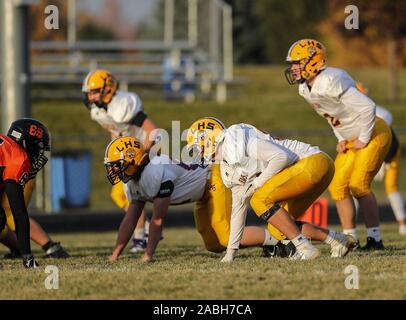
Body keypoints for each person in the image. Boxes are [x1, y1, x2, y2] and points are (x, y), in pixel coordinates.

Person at [190, 119, 355, 262]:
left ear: (209, 138)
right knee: (279, 229)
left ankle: (304, 247)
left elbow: (281, 157)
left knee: (259, 199)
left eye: (198, 146)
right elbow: (238, 209)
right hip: (311, 171)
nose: (198, 152)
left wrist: (257, 184)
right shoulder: (227, 169)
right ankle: (337, 240)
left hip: (313, 162)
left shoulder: (235, 139)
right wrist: (231, 253)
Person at [105, 134, 287, 263]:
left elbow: (158, 219)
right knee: (213, 245)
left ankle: (279, 240)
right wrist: (115, 255)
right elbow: (130, 219)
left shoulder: (156, 172)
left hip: (213, 179)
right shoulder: (132, 181)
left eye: (117, 166)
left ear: (134, 160)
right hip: (201, 192)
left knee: (225, 237)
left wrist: (148, 255)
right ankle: (270, 244)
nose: (114, 171)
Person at [285, 39, 392, 250]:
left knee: (359, 185)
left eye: (298, 63)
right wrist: (341, 139)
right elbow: (332, 116)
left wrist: (363, 138)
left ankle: (375, 239)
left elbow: (368, 107)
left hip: (373, 131)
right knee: (338, 186)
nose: (293, 68)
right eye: (293, 64)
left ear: (313, 61)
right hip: (352, 138)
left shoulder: (331, 79)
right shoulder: (305, 89)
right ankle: (350, 239)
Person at [82, 69, 158, 252]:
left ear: (107, 89)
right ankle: (146, 230)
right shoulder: (99, 111)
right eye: (89, 92)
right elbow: (115, 130)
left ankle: (141, 236)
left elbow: (152, 130)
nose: (90, 96)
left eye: (93, 91)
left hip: (146, 149)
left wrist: (143, 154)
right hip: (129, 153)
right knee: (121, 194)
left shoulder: (123, 104)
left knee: (130, 195)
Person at [355, 82, 406, 235]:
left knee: (391, 187)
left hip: (389, 153)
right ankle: (351, 227)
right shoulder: (349, 113)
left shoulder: (380, 113)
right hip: (364, 152)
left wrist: (382, 160)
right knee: (354, 186)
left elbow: (383, 135)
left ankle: (403, 223)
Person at [0, 118, 51, 268]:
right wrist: (27, 255)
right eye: (37, 148)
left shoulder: (5, 147)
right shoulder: (18, 158)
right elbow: (19, 213)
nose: (39, 153)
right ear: (26, 143)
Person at [1, 179, 70, 259]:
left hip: (17, 175)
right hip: (11, 177)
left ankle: (51, 247)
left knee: (11, 215)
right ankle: (19, 248)